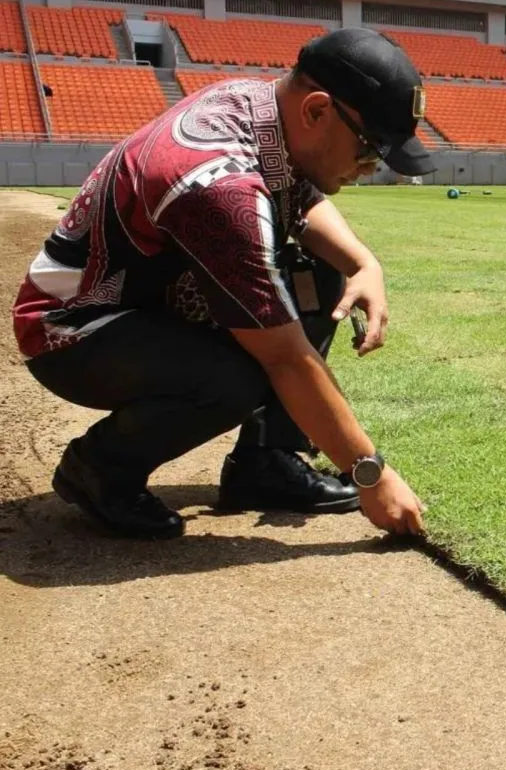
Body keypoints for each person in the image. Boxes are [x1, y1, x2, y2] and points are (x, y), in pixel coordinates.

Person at [11, 28, 431, 540]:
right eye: (369, 148)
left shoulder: (256, 103)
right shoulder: (218, 187)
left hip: (142, 298)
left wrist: (366, 265)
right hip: (71, 331)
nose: (370, 168)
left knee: (316, 273)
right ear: (317, 111)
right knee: (239, 377)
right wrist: (372, 475)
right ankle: (100, 467)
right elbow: (286, 358)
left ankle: (265, 464)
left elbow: (296, 192)